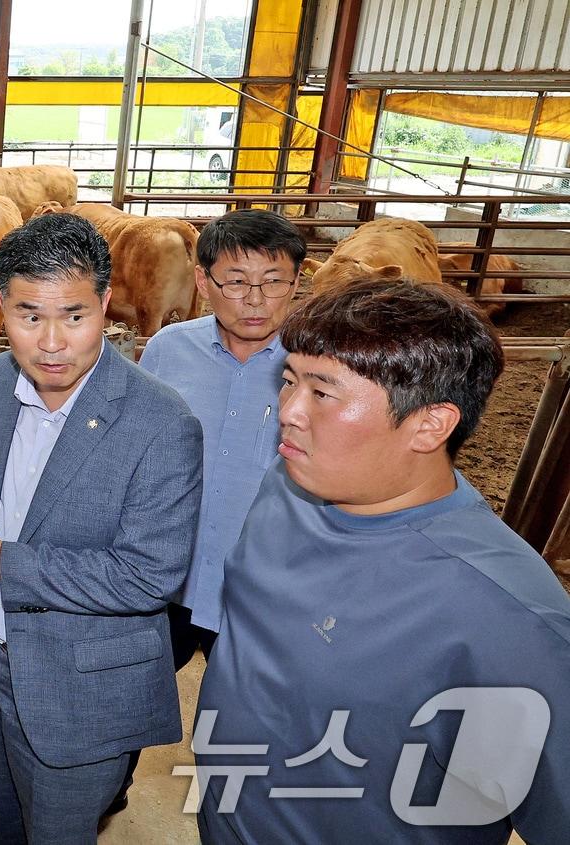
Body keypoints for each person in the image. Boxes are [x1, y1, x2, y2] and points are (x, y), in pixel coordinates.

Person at [194, 279, 570, 842]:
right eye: (289, 380)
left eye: (323, 393)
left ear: (429, 424)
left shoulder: (508, 619)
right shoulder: (288, 484)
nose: (288, 411)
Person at [0, 212, 203, 844]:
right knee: (4, 823)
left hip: (83, 683)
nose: (51, 342)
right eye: (28, 316)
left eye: (74, 315)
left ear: (106, 302)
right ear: (0, 306)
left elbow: (150, 578)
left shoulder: (162, 423)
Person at [139, 208, 305, 669]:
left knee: (245, 731)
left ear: (296, 282)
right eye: (235, 282)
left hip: (260, 593)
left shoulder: (319, 367)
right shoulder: (167, 350)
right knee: (121, 716)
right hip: (165, 581)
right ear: (202, 280)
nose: (255, 300)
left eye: (274, 281)